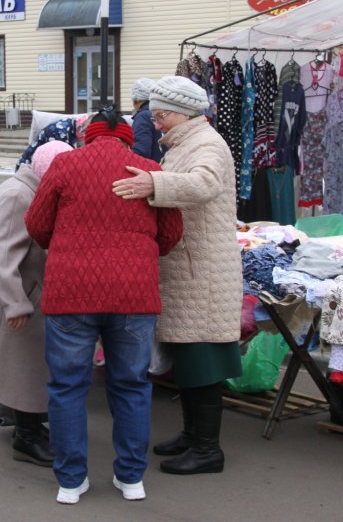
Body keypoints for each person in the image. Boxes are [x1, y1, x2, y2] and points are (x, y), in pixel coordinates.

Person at [24, 109, 182, 505]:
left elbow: (37, 223)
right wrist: (140, 253)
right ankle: (131, 479)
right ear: (129, 138)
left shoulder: (65, 163)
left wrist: (64, 246)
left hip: (70, 292)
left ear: (86, 136)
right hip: (133, 293)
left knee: (67, 387)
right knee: (131, 386)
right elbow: (171, 233)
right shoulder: (148, 169)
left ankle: (70, 481)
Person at [111, 75, 243, 476]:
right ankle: (192, 436)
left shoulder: (207, 145)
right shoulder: (185, 144)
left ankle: (208, 449)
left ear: (181, 114)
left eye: (160, 115)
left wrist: (153, 182)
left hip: (201, 272)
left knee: (201, 360)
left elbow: (204, 184)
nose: (155, 123)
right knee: (188, 360)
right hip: (190, 269)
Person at [0, 140, 74, 467]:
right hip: (20, 295)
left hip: (21, 291)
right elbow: (3, 256)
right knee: (24, 366)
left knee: (25, 365)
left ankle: (30, 428)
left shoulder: (22, 190)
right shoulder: (19, 196)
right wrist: (18, 303)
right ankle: (28, 436)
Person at [129, 78, 165, 162]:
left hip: (151, 170)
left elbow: (140, 150)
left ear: (137, 100)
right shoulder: (162, 112)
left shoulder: (143, 116)